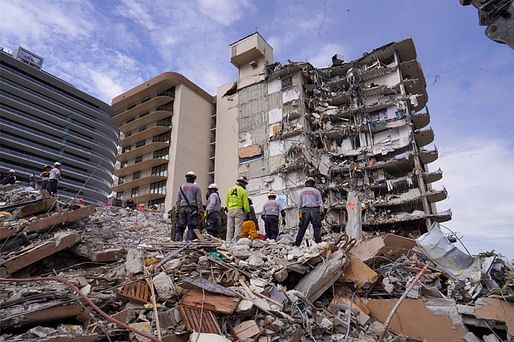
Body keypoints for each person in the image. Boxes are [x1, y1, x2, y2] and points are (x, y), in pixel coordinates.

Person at [294, 177, 324, 246]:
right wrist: (321, 213)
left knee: (302, 228)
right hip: (315, 210)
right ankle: (318, 243)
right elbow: (320, 203)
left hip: (305, 211)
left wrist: (300, 214)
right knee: (316, 228)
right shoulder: (316, 191)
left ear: (306, 183)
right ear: (313, 184)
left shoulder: (302, 191)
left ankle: (297, 243)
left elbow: (299, 204)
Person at [175, 171, 203, 241]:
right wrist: (200, 211)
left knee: (180, 227)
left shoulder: (181, 187)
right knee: (191, 226)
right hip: (192, 209)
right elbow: (199, 201)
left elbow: (178, 200)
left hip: (182, 209)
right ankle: (189, 242)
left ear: (186, 178)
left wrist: (176, 210)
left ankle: (177, 242)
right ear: (194, 179)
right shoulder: (197, 187)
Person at [225, 176, 250, 242]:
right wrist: (247, 211)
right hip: (238, 210)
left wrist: (228, 208)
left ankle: (228, 241)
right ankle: (235, 241)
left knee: (229, 227)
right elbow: (245, 203)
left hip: (230, 209)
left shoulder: (230, 189)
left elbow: (227, 201)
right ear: (243, 183)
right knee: (238, 227)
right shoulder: (243, 191)